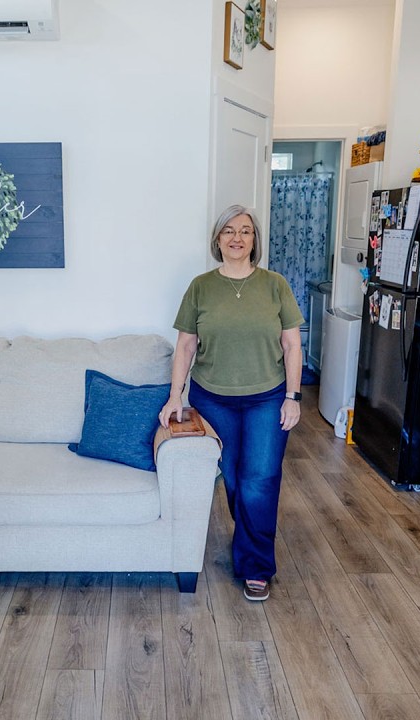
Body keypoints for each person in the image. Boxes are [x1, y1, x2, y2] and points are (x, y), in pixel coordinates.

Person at [158, 204, 304, 602]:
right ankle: (249, 539)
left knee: (260, 479)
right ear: (218, 239)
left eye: (245, 231)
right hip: (213, 398)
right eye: (229, 231)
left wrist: (293, 396)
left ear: (254, 240)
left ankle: (255, 567)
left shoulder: (275, 285)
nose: (237, 238)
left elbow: (292, 345)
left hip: (267, 398)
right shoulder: (201, 287)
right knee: (236, 479)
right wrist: (175, 396)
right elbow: (185, 346)